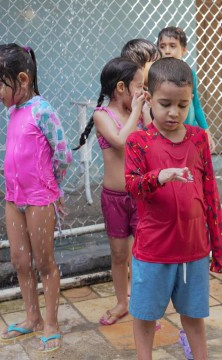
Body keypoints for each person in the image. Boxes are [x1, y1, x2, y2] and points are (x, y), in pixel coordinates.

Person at [125, 57, 222, 359]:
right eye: (165, 103)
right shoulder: (138, 142)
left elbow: (210, 191)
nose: (173, 112)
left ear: (190, 101)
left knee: (194, 315)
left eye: (182, 106)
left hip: (193, 248)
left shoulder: (197, 139)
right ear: (149, 98)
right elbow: (131, 186)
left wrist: (217, 244)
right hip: (155, 249)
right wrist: (159, 176)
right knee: (145, 316)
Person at [0, 43, 72, 352]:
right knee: (20, 261)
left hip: (38, 199)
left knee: (44, 262)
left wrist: (54, 189)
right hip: (13, 199)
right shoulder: (14, 110)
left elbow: (63, 155)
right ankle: (32, 318)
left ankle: (51, 322)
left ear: (22, 79)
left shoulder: (42, 110)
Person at [74, 57, 146, 326]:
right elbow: (120, 142)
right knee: (119, 254)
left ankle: (143, 306)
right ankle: (121, 302)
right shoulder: (102, 115)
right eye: (138, 86)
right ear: (120, 88)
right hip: (115, 198)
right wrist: (138, 112)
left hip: (141, 195)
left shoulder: (139, 112)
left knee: (142, 254)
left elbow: (154, 137)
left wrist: (145, 112)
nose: (141, 91)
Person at [157, 26, 216, 153]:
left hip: (190, 132)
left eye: (172, 46)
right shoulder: (157, 76)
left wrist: (206, 130)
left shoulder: (190, 74)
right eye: (162, 46)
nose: (167, 51)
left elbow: (197, 105)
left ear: (184, 50)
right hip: (168, 134)